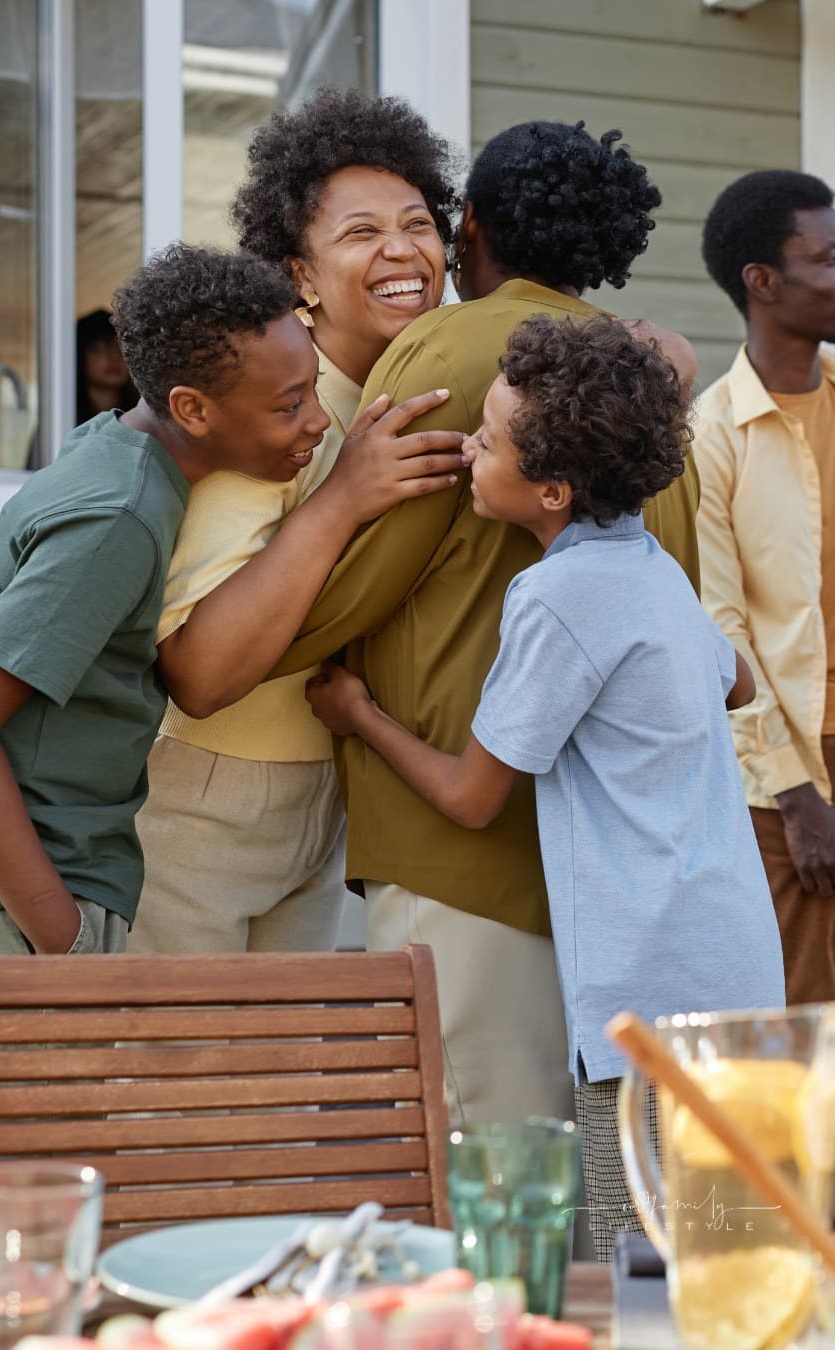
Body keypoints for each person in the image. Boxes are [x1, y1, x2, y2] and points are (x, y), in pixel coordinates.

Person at [0, 242, 461, 1253]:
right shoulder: (121, 520)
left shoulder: (123, 456)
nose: (315, 425)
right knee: (15, 1233)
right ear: (191, 409)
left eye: (313, 393)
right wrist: (62, 943)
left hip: (43, 887)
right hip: (10, 903)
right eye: (287, 409)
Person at [306, 314, 786, 1260]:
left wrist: (360, 716)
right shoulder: (649, 566)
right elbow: (735, 682)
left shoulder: (558, 598)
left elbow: (473, 794)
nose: (471, 450)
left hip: (646, 991)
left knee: (637, 1250)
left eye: (488, 441)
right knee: (731, 1245)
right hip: (730, 956)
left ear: (552, 490)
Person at [267, 120, 702, 1127]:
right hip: (604, 868)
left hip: (453, 845)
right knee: (588, 1195)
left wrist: (243, 636)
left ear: (470, 228)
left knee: (477, 1183)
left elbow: (353, 583)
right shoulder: (639, 383)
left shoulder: (452, 347)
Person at [131, 88, 461, 957]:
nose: (401, 250)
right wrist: (343, 494)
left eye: (418, 223)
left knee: (286, 1080)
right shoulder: (270, 399)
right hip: (205, 795)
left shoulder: (406, 389)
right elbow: (197, 674)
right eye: (360, 232)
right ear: (298, 273)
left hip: (325, 792)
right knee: (184, 1083)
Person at [696, 169, 835, 1004]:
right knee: (804, 1040)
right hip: (791, 790)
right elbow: (722, 631)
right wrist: (796, 797)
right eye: (827, 257)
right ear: (763, 281)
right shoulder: (711, 437)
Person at [76, 308, 138, 424]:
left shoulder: (143, 416)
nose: (114, 357)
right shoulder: (62, 415)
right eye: (98, 349)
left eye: (121, 349)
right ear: (80, 356)